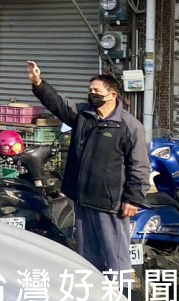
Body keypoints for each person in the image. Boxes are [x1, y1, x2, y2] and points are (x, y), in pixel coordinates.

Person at [27, 61, 149, 275]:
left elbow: (139, 165)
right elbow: (58, 104)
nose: (92, 94)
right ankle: (95, 298)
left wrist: (134, 198)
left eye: (97, 90)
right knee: (88, 255)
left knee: (116, 257)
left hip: (110, 203)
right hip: (83, 198)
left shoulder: (129, 125)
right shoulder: (83, 115)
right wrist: (38, 83)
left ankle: (123, 299)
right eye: (90, 90)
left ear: (112, 95)